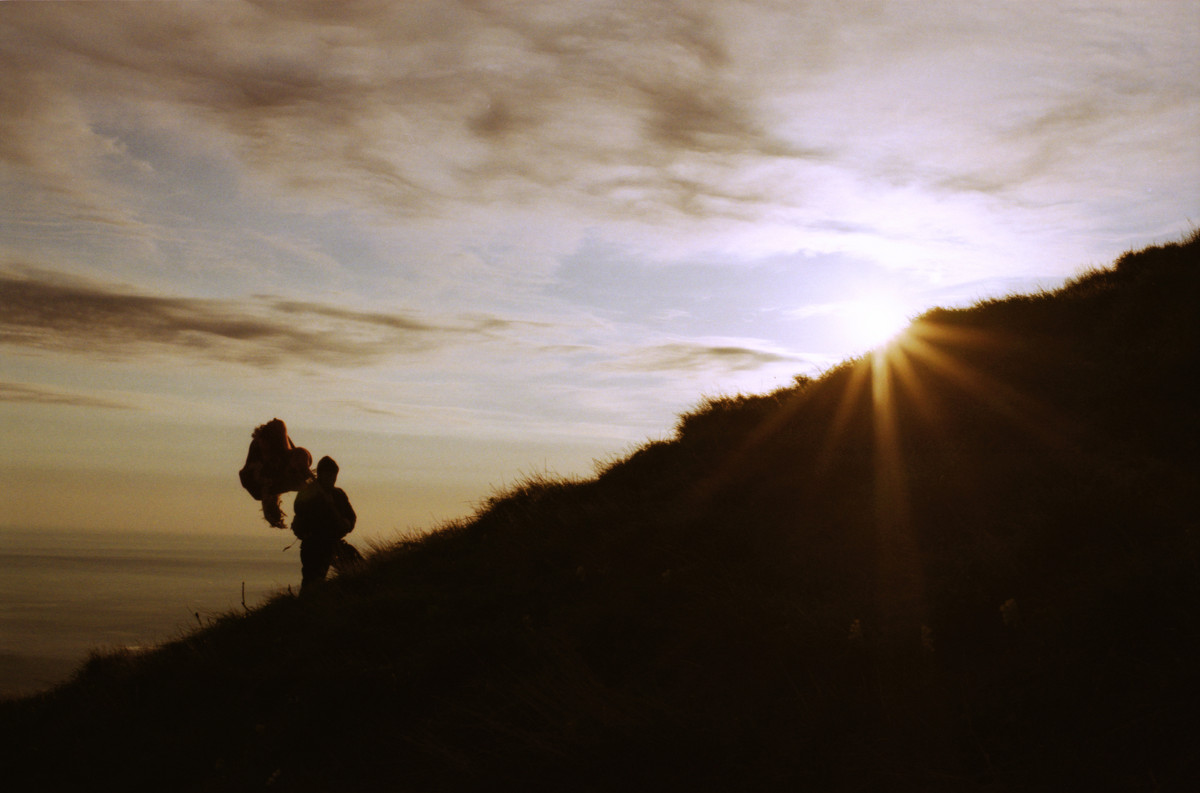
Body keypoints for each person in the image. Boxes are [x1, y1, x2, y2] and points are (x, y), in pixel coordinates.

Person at [291, 455, 360, 591]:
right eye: (328, 475)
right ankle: (306, 608)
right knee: (312, 582)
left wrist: (346, 523)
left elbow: (351, 516)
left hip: (334, 544)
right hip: (314, 546)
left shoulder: (338, 494)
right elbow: (298, 509)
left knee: (356, 572)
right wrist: (312, 493)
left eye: (333, 475)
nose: (331, 479)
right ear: (320, 475)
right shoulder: (309, 491)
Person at [238, 418, 313, 529]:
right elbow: (308, 481)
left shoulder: (294, 459)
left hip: (285, 467)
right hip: (283, 472)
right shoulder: (289, 471)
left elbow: (308, 480)